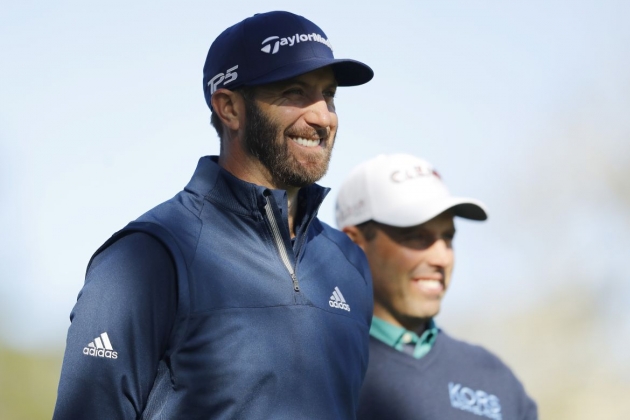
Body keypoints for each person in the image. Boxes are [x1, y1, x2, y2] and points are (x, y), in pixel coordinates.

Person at [53, 11, 374, 419]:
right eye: (294, 92)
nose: (322, 116)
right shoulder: (147, 257)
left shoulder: (348, 263)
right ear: (229, 108)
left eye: (328, 95)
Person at [336, 154, 538, 420]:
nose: (442, 259)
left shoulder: (496, 380)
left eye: (448, 237)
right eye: (417, 236)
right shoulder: (317, 365)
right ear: (355, 244)